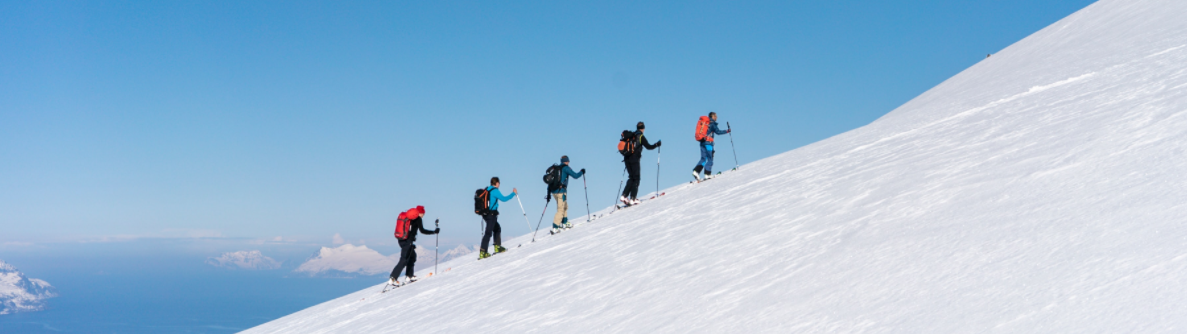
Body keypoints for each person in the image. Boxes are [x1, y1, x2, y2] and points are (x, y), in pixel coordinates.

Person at [388, 206, 439, 286]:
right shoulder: (418, 219)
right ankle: (393, 278)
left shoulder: (408, 217)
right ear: (420, 213)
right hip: (408, 242)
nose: (423, 215)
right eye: (423, 214)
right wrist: (434, 232)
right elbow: (422, 231)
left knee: (412, 257)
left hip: (401, 240)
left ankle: (409, 276)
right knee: (404, 260)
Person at [621, 121, 660, 205]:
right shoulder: (640, 136)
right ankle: (633, 198)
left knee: (631, 177)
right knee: (636, 178)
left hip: (627, 158)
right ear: (643, 128)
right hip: (634, 159)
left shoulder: (631, 135)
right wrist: (657, 144)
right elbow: (649, 147)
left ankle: (624, 196)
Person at [479, 177, 517, 259]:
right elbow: (504, 198)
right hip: (491, 215)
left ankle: (497, 246)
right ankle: (483, 252)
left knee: (497, 228)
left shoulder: (487, 190)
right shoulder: (495, 190)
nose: (499, 184)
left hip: (485, 214)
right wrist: (513, 193)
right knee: (488, 232)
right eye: (499, 183)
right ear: (496, 183)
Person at [551, 155, 585, 234]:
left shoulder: (556, 169)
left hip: (554, 192)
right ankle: (555, 227)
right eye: (568, 161)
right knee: (561, 209)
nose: (568, 163)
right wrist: (582, 172)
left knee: (565, 206)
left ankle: (565, 222)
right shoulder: (566, 168)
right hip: (561, 192)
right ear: (566, 161)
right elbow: (575, 176)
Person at [692, 112, 729, 181]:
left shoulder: (704, 123)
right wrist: (727, 131)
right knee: (710, 159)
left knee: (703, 158)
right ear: (713, 116)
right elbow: (718, 132)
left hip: (702, 142)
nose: (717, 117)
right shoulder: (712, 124)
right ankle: (707, 174)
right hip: (708, 143)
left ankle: (696, 171)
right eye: (716, 116)